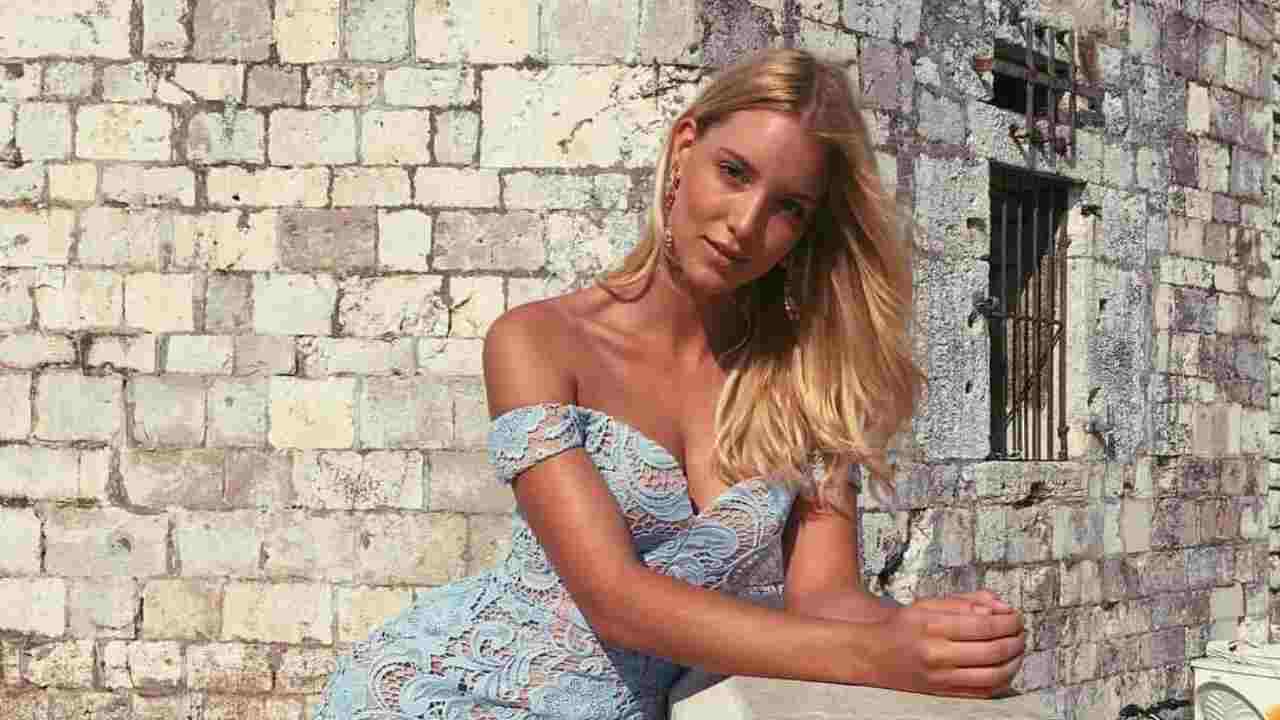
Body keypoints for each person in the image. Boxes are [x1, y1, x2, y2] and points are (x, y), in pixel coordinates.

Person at [314, 48, 1026, 720]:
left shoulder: (808, 381)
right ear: (685, 150)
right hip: (440, 690)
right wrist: (878, 655)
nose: (746, 224)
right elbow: (615, 599)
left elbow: (824, 597)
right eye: (734, 173)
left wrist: (944, 638)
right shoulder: (537, 341)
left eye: (789, 207)